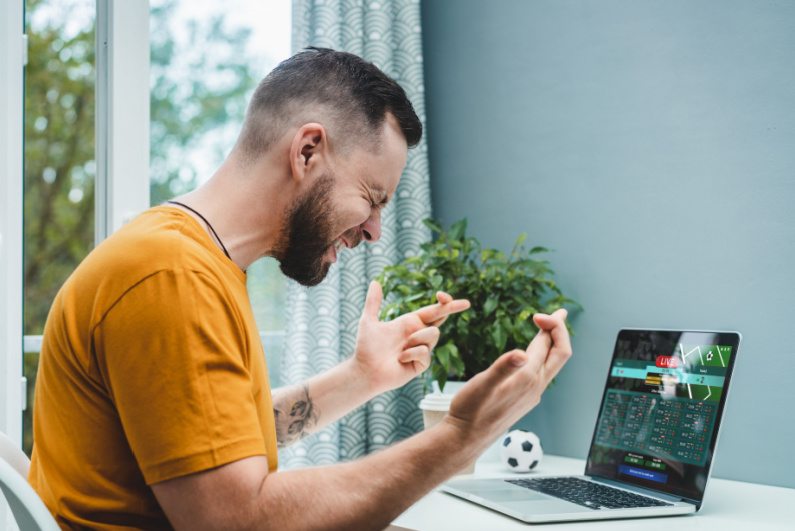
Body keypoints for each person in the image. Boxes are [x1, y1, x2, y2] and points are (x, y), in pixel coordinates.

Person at [29, 47, 572, 530]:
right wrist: (460, 437)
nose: (375, 230)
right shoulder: (171, 276)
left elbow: (220, 443)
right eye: (373, 197)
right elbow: (236, 519)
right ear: (308, 150)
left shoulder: (188, 260)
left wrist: (361, 377)